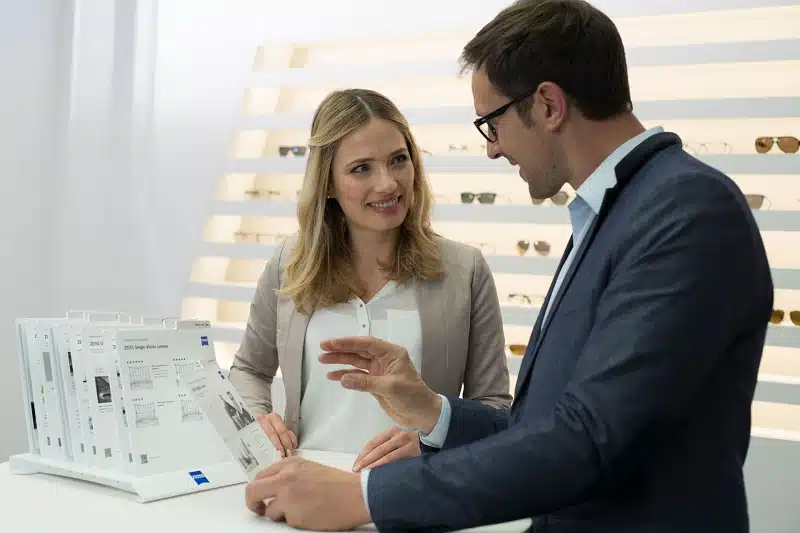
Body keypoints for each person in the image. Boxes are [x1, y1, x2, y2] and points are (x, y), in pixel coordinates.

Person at [241, 0, 774, 532]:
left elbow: (590, 438)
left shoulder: (683, 210)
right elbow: (538, 426)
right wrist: (434, 411)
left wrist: (365, 497)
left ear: (547, 105)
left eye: (491, 123)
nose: (493, 150)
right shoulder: (616, 213)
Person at [227, 88, 513, 471]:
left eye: (398, 160)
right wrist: (258, 421)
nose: (388, 183)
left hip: (413, 491)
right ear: (327, 183)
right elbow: (249, 369)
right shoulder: (289, 262)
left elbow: (494, 406)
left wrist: (434, 441)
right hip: (304, 484)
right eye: (361, 168)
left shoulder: (464, 269)